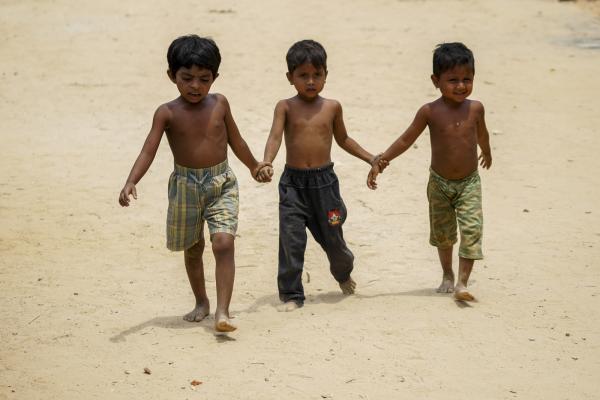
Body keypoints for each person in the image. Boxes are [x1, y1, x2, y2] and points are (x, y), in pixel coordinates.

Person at [118, 34, 270, 331]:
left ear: (215, 77)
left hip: (221, 182)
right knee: (193, 247)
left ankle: (223, 312)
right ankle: (202, 301)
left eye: (204, 78)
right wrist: (131, 180)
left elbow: (235, 140)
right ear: (171, 76)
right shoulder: (167, 112)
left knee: (223, 242)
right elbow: (148, 149)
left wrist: (254, 166)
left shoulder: (220, 104)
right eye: (187, 78)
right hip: (185, 186)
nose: (196, 86)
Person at [257, 39, 380, 311]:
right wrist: (267, 161)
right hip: (293, 185)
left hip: (325, 186)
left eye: (317, 75)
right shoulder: (285, 107)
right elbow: (275, 136)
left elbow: (344, 139)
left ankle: (343, 272)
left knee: (333, 239)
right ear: (290, 77)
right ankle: (291, 295)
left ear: (326, 75)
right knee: (291, 240)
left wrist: (370, 157)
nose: (310, 81)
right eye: (303, 75)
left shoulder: (332, 107)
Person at [367, 42, 492, 301]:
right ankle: (447, 274)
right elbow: (406, 140)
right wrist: (382, 160)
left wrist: (487, 151)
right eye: (452, 80)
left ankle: (463, 283)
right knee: (443, 234)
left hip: (469, 182)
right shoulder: (430, 111)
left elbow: (482, 133)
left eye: (467, 79)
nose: (461, 86)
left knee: (472, 229)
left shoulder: (476, 108)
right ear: (436, 81)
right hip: (439, 184)